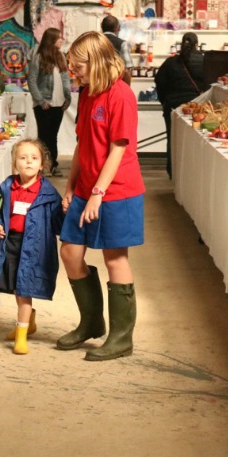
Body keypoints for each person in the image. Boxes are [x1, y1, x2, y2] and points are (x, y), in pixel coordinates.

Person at [57, 31, 144, 361]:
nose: (72, 72)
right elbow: (82, 144)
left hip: (117, 191)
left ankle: (121, 339)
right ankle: (92, 322)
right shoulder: (86, 92)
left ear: (95, 62)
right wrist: (71, 186)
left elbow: (118, 149)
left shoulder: (120, 95)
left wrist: (97, 193)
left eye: (77, 66)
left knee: (114, 258)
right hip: (86, 188)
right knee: (70, 252)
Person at [0, 139, 64, 355]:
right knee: (16, 286)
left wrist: (67, 212)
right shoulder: (7, 188)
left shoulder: (48, 194)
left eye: (34, 158)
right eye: (23, 157)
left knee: (24, 290)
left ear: (42, 165)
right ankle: (28, 323)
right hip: (11, 243)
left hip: (35, 247)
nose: (28, 161)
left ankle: (21, 335)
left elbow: (58, 224)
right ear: (14, 164)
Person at [154, 32, 208, 179]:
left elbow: (159, 81)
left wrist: (164, 101)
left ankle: (172, 172)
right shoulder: (204, 61)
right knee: (195, 141)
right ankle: (191, 175)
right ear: (197, 44)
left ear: (182, 43)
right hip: (196, 107)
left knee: (172, 139)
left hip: (173, 106)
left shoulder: (171, 62)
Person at [27, 27, 72, 176]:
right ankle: (44, 166)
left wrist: (68, 97)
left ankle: (53, 164)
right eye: (59, 37)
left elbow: (65, 78)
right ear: (51, 40)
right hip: (44, 104)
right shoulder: (39, 57)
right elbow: (32, 81)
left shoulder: (61, 57)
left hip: (59, 104)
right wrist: (40, 100)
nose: (61, 40)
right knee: (44, 136)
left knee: (53, 136)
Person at [100, 14, 133, 84]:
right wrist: (126, 88)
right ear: (117, 28)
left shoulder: (94, 42)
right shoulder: (122, 44)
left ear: (101, 26)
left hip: (97, 84)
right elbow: (127, 71)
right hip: (116, 85)